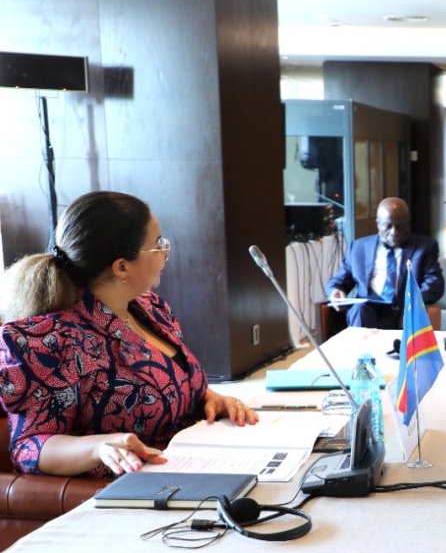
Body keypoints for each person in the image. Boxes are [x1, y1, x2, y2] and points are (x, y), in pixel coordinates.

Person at [0, 191, 257, 478]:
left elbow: (167, 382)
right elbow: (30, 446)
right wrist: (98, 448)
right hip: (119, 491)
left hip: (190, 467)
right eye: (158, 244)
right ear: (121, 266)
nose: (166, 251)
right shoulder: (49, 340)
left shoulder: (148, 307)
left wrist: (209, 398)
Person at [327, 197, 445, 329]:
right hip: (367, 310)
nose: (394, 232)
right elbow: (341, 279)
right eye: (388, 226)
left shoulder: (424, 247)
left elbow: (435, 283)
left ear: (409, 223)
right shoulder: (358, 248)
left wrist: (413, 300)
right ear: (378, 224)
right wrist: (336, 290)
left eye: (401, 226)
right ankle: (362, 349)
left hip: (402, 309)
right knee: (359, 310)